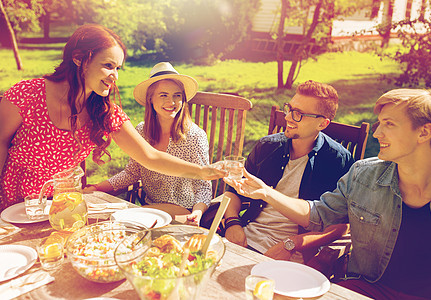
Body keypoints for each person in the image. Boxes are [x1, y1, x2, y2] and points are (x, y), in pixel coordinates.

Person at [225, 89, 431, 300]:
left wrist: (296, 245)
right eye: (379, 123)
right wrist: (266, 192)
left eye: (389, 124)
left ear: (424, 132)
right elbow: (319, 214)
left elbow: (337, 229)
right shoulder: (362, 175)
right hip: (368, 289)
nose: (377, 133)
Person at [0, 24, 224, 211]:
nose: (114, 76)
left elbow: (150, 157)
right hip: (13, 205)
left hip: (62, 207)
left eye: (118, 68)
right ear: (79, 59)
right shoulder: (27, 94)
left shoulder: (105, 112)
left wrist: (203, 171)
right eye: (108, 66)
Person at [223, 80, 354, 264]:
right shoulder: (267, 146)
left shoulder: (338, 161)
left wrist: (294, 244)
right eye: (290, 109)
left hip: (292, 255)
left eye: (299, 114)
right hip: (244, 239)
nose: (288, 117)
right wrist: (232, 223)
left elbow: (343, 225)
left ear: (322, 124)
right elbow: (233, 191)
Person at [87, 62, 212, 226]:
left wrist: (197, 212)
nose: (171, 102)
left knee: (119, 222)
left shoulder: (195, 136)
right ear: (150, 99)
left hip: (183, 213)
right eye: (163, 95)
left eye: (177, 95)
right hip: (150, 210)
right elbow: (132, 173)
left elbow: (204, 186)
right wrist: (97, 188)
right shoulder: (141, 131)